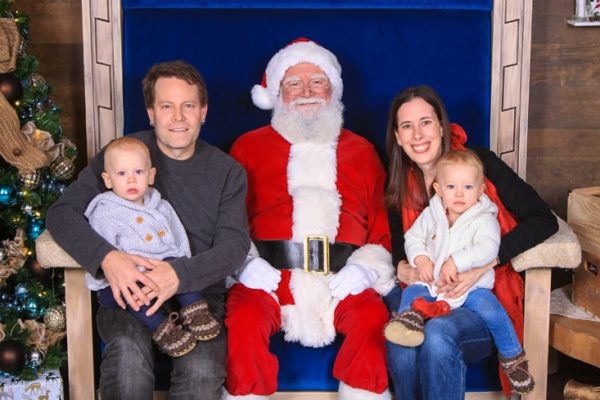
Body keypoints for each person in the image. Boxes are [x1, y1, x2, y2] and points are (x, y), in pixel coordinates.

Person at [46, 60, 250, 400]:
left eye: (188, 106)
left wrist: (178, 275)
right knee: (128, 359)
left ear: (203, 112)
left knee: (201, 372)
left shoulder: (227, 171)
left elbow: (234, 245)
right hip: (127, 292)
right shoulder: (122, 156)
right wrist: (108, 259)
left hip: (198, 294)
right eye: (167, 106)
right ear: (151, 113)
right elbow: (62, 214)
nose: (178, 117)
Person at [224, 38, 396, 400]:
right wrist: (243, 265)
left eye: (317, 81)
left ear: (333, 90)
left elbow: (380, 228)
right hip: (270, 280)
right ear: (275, 93)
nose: (306, 92)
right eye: (293, 83)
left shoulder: (363, 152)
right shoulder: (247, 147)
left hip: (341, 281)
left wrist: (365, 271)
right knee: (243, 321)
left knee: (372, 321)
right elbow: (226, 221)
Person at [384, 85, 557, 399]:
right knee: (402, 336)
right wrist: (405, 265)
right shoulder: (400, 183)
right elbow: (403, 242)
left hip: (481, 295)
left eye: (425, 122)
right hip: (429, 287)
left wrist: (484, 265)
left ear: (441, 125)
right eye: (407, 126)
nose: (418, 134)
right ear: (397, 136)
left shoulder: (479, 166)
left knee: (437, 334)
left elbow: (543, 220)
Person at [384, 149, 534, 394]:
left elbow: (488, 248)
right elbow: (412, 238)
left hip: (471, 288)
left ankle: (513, 358)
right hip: (434, 286)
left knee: (492, 309)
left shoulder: (483, 218)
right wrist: (420, 259)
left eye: (467, 187)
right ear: (439, 189)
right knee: (412, 291)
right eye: (451, 187)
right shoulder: (432, 214)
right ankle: (409, 319)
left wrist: (457, 261)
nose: (460, 194)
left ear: (481, 190)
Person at [86, 136, 221, 358]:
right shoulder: (104, 211)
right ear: (108, 179)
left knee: (178, 267)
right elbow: (104, 254)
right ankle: (163, 330)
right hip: (120, 282)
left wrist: (180, 262)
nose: (131, 180)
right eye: (121, 174)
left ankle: (196, 313)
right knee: (133, 290)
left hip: (160, 270)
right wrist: (123, 272)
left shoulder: (160, 205)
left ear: (151, 175)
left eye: (138, 172)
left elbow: (176, 237)